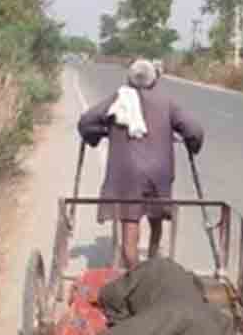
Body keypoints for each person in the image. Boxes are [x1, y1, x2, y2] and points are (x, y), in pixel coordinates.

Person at [78, 58, 204, 269]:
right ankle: (153, 262)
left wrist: (101, 133)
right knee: (156, 217)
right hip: (158, 172)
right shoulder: (166, 102)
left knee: (130, 222)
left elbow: (86, 122)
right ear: (155, 80)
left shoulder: (119, 99)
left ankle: (135, 274)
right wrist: (192, 144)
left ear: (130, 79)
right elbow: (194, 130)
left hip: (127, 173)